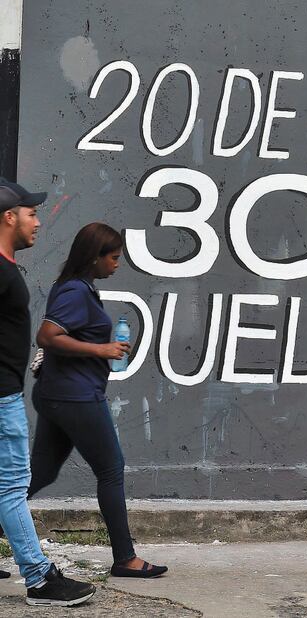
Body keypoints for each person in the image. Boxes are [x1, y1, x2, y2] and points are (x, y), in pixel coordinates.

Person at [28, 222, 167, 579]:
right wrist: (101, 348)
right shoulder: (75, 291)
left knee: (39, 474)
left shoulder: (73, 287)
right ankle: (125, 558)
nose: (117, 264)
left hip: (58, 394)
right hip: (75, 397)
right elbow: (47, 336)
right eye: (114, 258)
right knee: (110, 469)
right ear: (95, 258)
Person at [0, 178, 96, 606]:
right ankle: (39, 578)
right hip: (1, 398)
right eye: (31, 213)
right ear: (9, 217)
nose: (37, 221)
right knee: (12, 486)